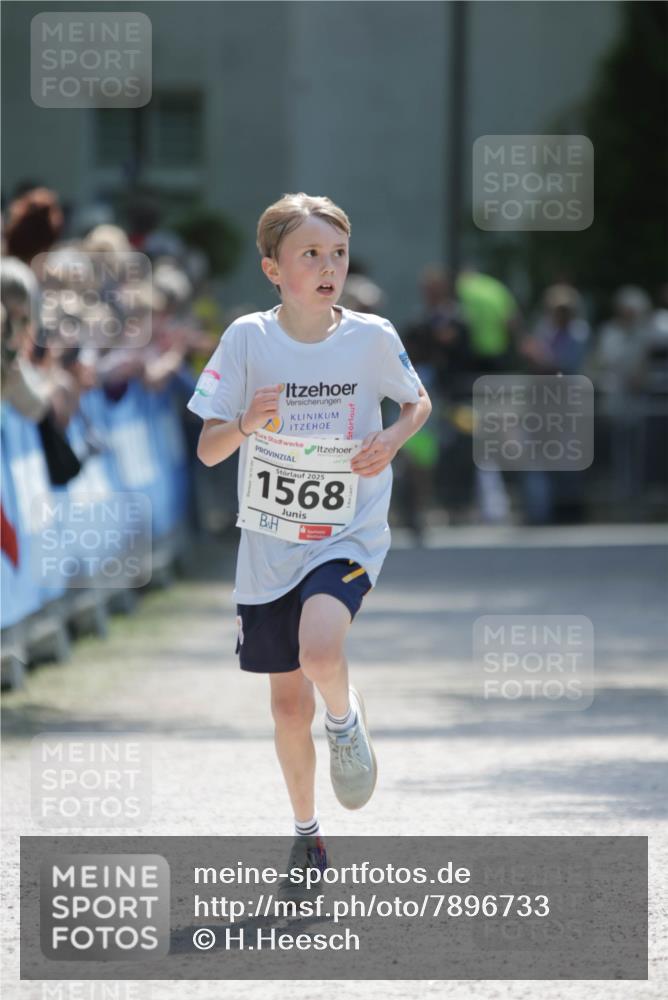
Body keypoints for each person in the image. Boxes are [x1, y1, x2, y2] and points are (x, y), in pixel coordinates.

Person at [187, 193, 431, 894]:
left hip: (347, 531)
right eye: (310, 256)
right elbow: (208, 451)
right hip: (269, 546)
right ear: (273, 269)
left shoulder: (373, 336)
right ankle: (306, 835)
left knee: (321, 647)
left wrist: (391, 437)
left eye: (338, 254)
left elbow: (417, 401)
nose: (329, 268)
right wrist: (247, 424)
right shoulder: (245, 341)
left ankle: (346, 724)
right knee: (286, 707)